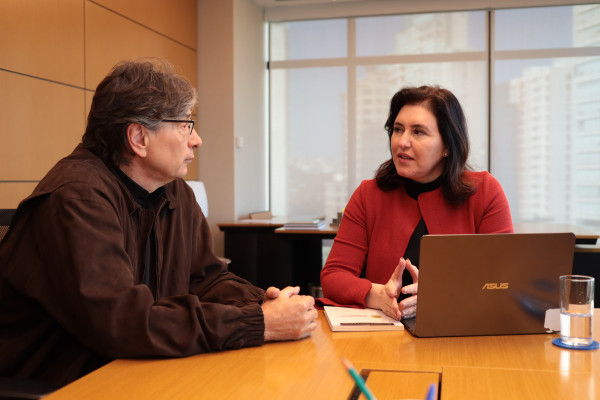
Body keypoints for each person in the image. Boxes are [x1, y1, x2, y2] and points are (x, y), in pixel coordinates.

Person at [0, 58, 317, 388]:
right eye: (184, 126)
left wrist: (265, 303)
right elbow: (122, 322)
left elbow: (205, 280)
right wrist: (259, 323)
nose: (196, 140)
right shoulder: (77, 198)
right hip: (61, 383)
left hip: (140, 370)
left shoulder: (175, 192)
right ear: (138, 137)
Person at [320, 85, 513, 320]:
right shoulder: (368, 194)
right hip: (384, 335)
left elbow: (503, 281)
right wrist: (378, 294)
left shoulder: (484, 192)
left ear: (447, 146)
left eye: (418, 132)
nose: (402, 142)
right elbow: (334, 276)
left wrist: (442, 296)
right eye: (398, 129)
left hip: (460, 331)